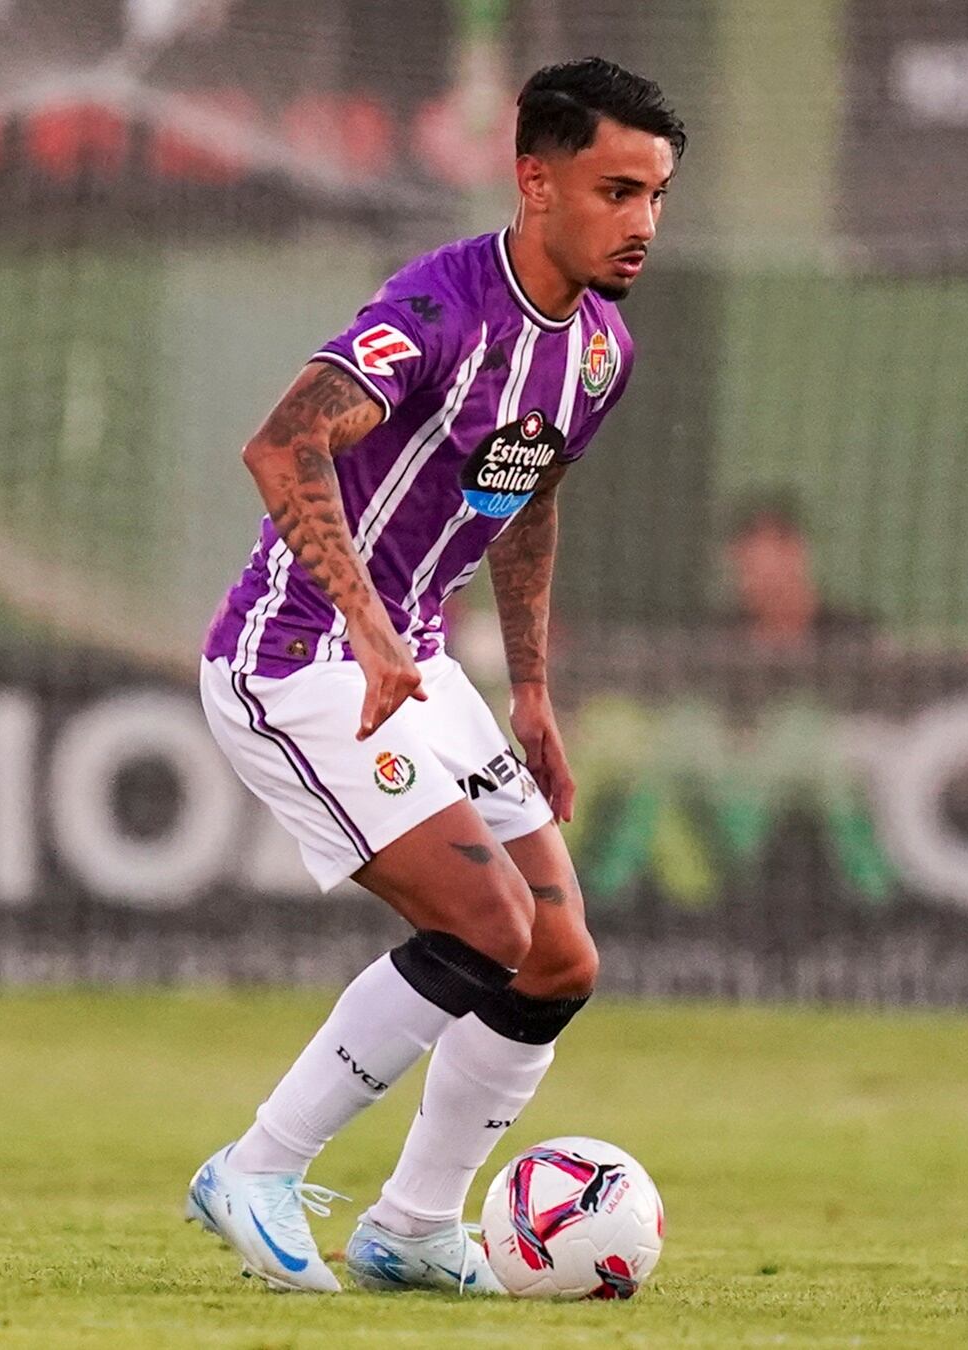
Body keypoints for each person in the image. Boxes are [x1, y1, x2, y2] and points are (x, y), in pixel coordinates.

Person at [185, 58, 678, 1294]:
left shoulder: (600, 351)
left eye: (656, 196)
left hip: (418, 664)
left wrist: (532, 691)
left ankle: (410, 1225)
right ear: (535, 180)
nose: (642, 223)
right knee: (487, 925)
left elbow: (523, 494)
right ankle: (256, 1167)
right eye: (617, 191)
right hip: (299, 659)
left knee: (558, 958)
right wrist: (367, 626)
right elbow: (282, 444)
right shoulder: (440, 308)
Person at [722, 492, 876, 651]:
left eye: (762, 573)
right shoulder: (724, 644)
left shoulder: (854, 640)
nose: (750, 586)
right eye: (744, 573)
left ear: (795, 553)